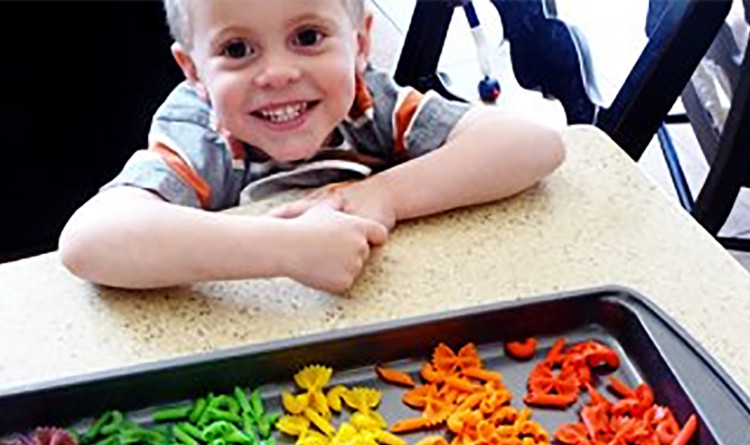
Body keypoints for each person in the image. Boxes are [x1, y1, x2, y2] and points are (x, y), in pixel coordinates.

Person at [59, 0, 565, 293]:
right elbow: (90, 240)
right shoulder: (205, 135)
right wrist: (287, 250)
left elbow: (533, 146)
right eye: (237, 50)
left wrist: (384, 195)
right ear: (194, 73)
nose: (278, 73)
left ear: (361, 45)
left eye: (307, 36)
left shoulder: (370, 104)